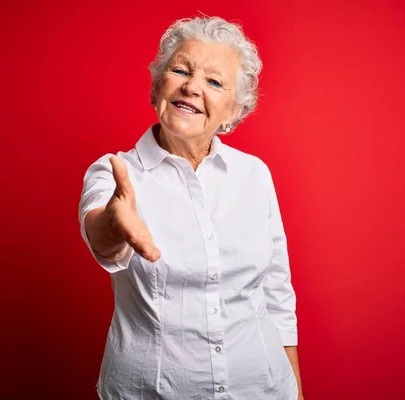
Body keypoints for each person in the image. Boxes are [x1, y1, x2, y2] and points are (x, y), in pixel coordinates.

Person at [79, 16, 303, 400]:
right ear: (158, 87)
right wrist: (115, 227)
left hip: (264, 389)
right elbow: (100, 232)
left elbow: (276, 293)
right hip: (148, 392)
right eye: (180, 70)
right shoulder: (115, 173)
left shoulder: (254, 174)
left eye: (214, 82)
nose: (192, 86)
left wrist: (296, 390)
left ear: (233, 111)